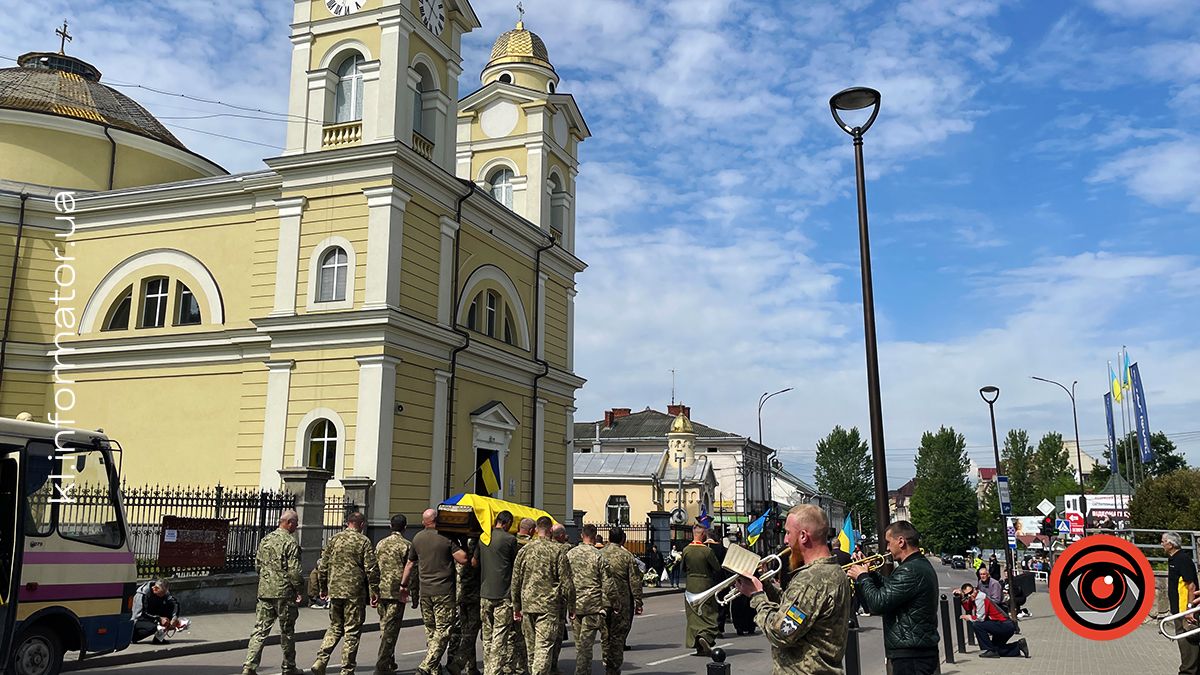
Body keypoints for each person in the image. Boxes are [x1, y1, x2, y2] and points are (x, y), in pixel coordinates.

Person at [735, 504, 852, 674]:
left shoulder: (812, 580)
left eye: (788, 533)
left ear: (803, 536)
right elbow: (794, 607)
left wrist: (757, 596)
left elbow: (781, 633)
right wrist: (766, 584)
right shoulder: (832, 571)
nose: (785, 540)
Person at [847, 521, 939, 675]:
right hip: (916, 650)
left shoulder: (910, 570)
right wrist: (870, 573)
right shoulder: (916, 565)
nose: (888, 548)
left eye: (889, 543)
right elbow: (891, 590)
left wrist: (862, 577)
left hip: (912, 655)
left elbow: (878, 604)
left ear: (901, 541)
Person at [311, 511, 380, 675]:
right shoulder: (363, 541)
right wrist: (374, 591)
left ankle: (321, 660)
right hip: (354, 593)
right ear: (361, 525)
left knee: (335, 627)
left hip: (335, 590)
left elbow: (322, 566)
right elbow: (371, 569)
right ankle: (347, 669)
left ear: (347, 522)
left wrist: (323, 588)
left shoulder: (334, 539)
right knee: (352, 630)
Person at [402, 508, 469, 675]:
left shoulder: (417, 538)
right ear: (437, 520)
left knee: (431, 630)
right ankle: (426, 665)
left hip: (426, 591)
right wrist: (461, 543)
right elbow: (463, 559)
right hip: (444, 591)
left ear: (424, 521)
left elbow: (410, 564)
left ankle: (434, 668)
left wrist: (404, 585)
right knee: (444, 629)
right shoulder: (446, 537)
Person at [242, 510, 303, 675]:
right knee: (287, 631)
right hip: (284, 593)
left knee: (260, 630)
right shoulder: (290, 542)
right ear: (289, 523)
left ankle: (249, 666)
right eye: (296, 524)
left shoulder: (265, 540)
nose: (296, 527)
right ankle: (289, 666)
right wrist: (299, 589)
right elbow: (294, 571)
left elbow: (258, 566)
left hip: (265, 591)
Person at [512, 517, 570, 675]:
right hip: (548, 606)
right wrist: (571, 607)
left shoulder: (524, 550)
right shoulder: (557, 550)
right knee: (544, 647)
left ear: (536, 530)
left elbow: (515, 580)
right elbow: (566, 582)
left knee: (532, 649)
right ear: (551, 530)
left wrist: (516, 607)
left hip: (528, 604)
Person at [566, 524, 612, 675]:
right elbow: (608, 583)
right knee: (586, 645)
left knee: (580, 645)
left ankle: (584, 671)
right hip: (592, 605)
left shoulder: (570, 554)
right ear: (595, 536)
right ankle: (581, 672)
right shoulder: (598, 555)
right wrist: (614, 604)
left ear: (581, 535)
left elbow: (564, 581)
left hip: (574, 605)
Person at [479, 511, 519, 675]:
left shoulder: (483, 537)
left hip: (485, 593)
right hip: (503, 594)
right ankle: (493, 672)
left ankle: (489, 667)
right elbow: (515, 566)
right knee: (500, 636)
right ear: (507, 522)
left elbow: (475, 561)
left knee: (487, 637)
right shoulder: (510, 539)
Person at [375, 513, 416, 675]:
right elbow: (411, 570)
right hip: (396, 592)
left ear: (390, 526)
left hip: (381, 590)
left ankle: (389, 661)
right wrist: (412, 592)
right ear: (405, 527)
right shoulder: (406, 545)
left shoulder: (380, 544)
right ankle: (382, 665)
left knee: (384, 627)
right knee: (391, 631)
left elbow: (373, 568)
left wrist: (373, 590)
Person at [600, 526, 643, 672]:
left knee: (605, 634)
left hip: (602, 599)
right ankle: (614, 668)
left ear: (608, 538)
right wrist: (638, 601)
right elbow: (635, 581)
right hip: (622, 601)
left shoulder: (599, 554)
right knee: (618, 637)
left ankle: (606, 661)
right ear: (623, 539)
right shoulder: (627, 556)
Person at [955, 583, 1028, 658]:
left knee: (977, 625)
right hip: (1004, 625)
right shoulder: (974, 597)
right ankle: (1018, 646)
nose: (970, 596)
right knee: (997, 649)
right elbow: (968, 608)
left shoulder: (980, 598)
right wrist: (962, 596)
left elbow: (980, 619)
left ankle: (990, 650)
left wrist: (970, 617)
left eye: (970, 593)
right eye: (967, 595)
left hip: (1004, 625)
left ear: (975, 589)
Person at [681, 522, 721, 656]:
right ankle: (706, 636)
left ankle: (697, 643)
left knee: (693, 615)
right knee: (708, 613)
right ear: (703, 534)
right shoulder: (707, 550)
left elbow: (682, 568)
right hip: (705, 583)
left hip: (690, 584)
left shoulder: (686, 550)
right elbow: (717, 568)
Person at [1163, 531, 1199, 675]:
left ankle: (1188, 672)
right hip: (1178, 609)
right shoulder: (1173, 559)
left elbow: (1191, 586)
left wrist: (1190, 609)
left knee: (1187, 642)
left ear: (1170, 544)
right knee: (1184, 641)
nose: (1162, 544)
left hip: (1185, 610)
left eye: (1163, 541)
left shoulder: (1182, 559)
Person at [448, 537, 482, 675]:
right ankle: (459, 662)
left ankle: (471, 667)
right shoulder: (474, 557)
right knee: (471, 633)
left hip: (461, 597)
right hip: (473, 597)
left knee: (465, 631)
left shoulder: (458, 551)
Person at [548, 521, 571, 675]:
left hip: (536, 599)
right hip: (558, 601)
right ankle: (552, 666)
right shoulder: (564, 550)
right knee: (555, 637)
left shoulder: (539, 548)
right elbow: (566, 580)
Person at [132, 579, 186, 644]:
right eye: (162, 593)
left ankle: (158, 639)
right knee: (155, 627)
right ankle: (132, 638)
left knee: (169, 611)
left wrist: (174, 617)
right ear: (155, 589)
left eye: (165, 593)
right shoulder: (142, 594)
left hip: (153, 614)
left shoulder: (164, 592)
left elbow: (174, 604)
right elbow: (140, 614)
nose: (163, 595)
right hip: (138, 620)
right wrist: (159, 619)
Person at [707, 525, 729, 637]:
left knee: (709, 605)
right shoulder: (721, 548)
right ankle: (719, 627)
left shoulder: (703, 547)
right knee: (721, 603)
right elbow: (726, 563)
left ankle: (709, 627)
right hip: (720, 578)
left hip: (707, 578)